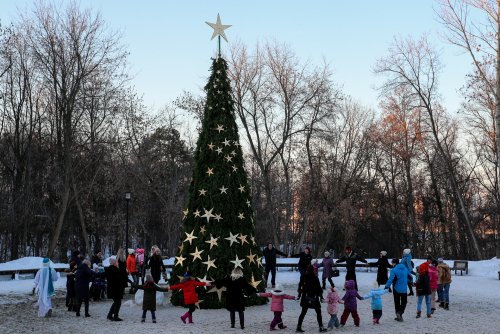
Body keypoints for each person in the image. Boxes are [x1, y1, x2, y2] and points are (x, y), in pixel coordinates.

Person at [295, 265, 327, 333]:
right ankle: (321, 327)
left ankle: (299, 326)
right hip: (314, 297)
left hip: (305, 297)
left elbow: (301, 287)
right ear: (313, 270)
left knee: (303, 313)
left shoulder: (303, 277)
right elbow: (318, 288)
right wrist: (321, 297)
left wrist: (299, 296)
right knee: (318, 312)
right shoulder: (315, 278)